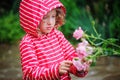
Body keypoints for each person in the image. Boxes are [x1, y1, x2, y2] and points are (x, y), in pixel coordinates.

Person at [19, 0, 91, 80]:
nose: (50, 22)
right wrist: (55, 71)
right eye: (44, 17)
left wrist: (80, 65)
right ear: (31, 19)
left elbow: (71, 59)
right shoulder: (28, 43)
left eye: (53, 16)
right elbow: (30, 74)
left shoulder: (58, 35)